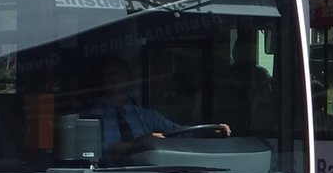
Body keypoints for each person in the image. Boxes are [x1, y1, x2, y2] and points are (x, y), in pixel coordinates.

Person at [90, 55, 230, 161]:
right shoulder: (92, 115)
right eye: (109, 74)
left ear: (129, 77)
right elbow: (101, 150)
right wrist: (142, 142)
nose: (114, 78)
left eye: (118, 73)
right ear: (102, 79)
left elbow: (179, 132)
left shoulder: (148, 116)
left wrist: (209, 131)